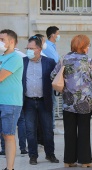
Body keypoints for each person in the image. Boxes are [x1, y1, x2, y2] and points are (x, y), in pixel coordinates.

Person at [51, 34, 92, 168]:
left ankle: (68, 160)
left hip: (68, 102)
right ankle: (85, 160)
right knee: (84, 131)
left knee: (69, 132)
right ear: (85, 46)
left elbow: (53, 75)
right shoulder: (89, 61)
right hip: (85, 102)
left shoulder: (64, 59)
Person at [23, 36, 58, 165]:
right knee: (30, 130)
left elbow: (56, 78)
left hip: (45, 101)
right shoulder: (23, 61)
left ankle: (50, 154)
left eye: (31, 48)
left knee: (48, 129)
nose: (29, 51)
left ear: (38, 49)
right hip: (28, 102)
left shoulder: (49, 62)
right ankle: (33, 156)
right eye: (27, 48)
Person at [0, 29, 23, 170]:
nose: (0, 42)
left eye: (2, 39)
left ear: (11, 42)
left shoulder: (15, 57)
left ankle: (10, 168)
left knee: (8, 135)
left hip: (10, 103)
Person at [42, 26, 63, 135]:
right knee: (52, 103)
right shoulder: (48, 47)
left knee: (53, 102)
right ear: (53, 35)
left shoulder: (52, 46)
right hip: (49, 78)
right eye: (57, 33)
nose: (59, 36)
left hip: (53, 78)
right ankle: (51, 127)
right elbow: (56, 62)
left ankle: (51, 126)